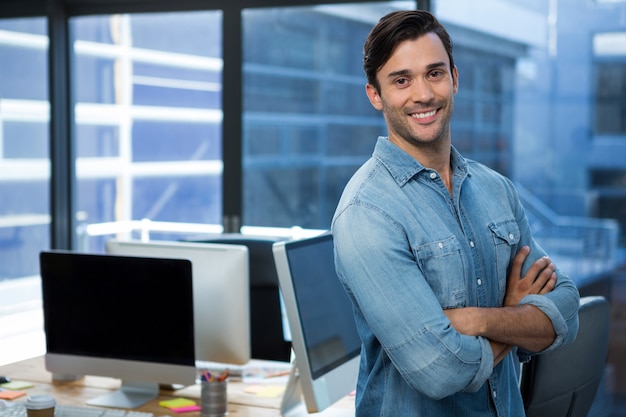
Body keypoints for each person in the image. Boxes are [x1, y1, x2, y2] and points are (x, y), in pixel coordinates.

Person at [331, 10, 580, 417]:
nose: (423, 94)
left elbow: (567, 309)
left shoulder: (496, 190)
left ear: (455, 79)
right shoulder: (367, 212)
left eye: (434, 73)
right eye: (401, 80)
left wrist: (477, 319)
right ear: (375, 95)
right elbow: (441, 371)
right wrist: (516, 317)